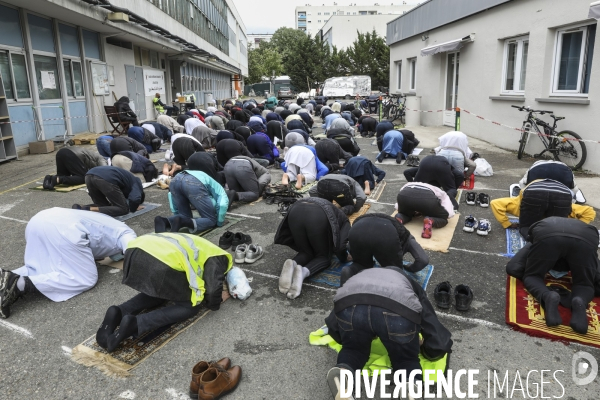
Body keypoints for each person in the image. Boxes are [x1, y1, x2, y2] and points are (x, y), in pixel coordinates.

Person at [324, 265, 452, 399]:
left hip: (350, 306)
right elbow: (436, 336)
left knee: (353, 350)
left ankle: (343, 379)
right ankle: (409, 388)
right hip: (397, 312)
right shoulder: (410, 284)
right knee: (405, 360)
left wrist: (351, 339)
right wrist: (425, 349)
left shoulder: (360, 276)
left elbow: (333, 325)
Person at [96, 233, 232, 353]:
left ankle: (120, 311)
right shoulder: (220, 258)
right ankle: (136, 323)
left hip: (134, 251)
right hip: (161, 263)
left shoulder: (200, 244)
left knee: (161, 292)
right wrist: (215, 301)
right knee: (189, 306)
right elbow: (213, 289)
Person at [0, 208, 136, 318]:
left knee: (40, 267)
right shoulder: (127, 232)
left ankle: (5, 279)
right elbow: (133, 252)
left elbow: (100, 245)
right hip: (66, 230)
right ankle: (17, 284)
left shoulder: (108, 223)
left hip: (39, 220)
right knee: (85, 278)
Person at [506, 217, 600, 334]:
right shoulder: (588, 230)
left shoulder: (542, 226)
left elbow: (516, 265)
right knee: (585, 284)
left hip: (548, 238)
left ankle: (547, 296)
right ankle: (580, 299)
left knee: (532, 276)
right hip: (586, 241)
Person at [274, 197, 351, 299]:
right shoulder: (345, 221)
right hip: (317, 216)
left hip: (295, 210)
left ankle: (292, 263)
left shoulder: (334, 210)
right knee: (323, 257)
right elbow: (340, 247)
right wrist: (345, 257)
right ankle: (302, 272)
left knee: (306, 251)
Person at [339, 213, 429, 285]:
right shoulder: (407, 236)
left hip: (357, 229)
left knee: (361, 264)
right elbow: (423, 260)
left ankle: (350, 270)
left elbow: (350, 246)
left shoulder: (398, 229)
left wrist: (355, 254)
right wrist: (409, 268)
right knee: (394, 271)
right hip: (386, 236)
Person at [491, 179, 595, 237]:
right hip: (561, 194)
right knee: (558, 231)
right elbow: (589, 212)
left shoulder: (517, 204)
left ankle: (532, 239)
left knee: (527, 228)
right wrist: (577, 229)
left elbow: (495, 203)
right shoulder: (569, 209)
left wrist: (507, 224)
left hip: (535, 193)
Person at [154, 166, 228, 234]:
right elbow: (222, 204)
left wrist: (177, 214)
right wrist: (219, 223)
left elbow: (170, 195)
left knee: (184, 216)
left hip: (175, 180)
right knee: (211, 220)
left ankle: (164, 221)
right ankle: (182, 221)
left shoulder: (204, 176)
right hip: (192, 182)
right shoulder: (220, 189)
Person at [74, 166, 145, 217]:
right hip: (105, 179)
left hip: (88, 176)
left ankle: (81, 207)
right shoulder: (137, 183)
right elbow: (135, 198)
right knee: (123, 209)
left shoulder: (128, 179)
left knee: (103, 206)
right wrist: (134, 207)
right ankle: (90, 209)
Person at [517, 160, 582, 201]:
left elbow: (522, 184)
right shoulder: (566, 169)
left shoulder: (535, 166)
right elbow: (574, 189)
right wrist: (572, 201)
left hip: (538, 169)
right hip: (563, 171)